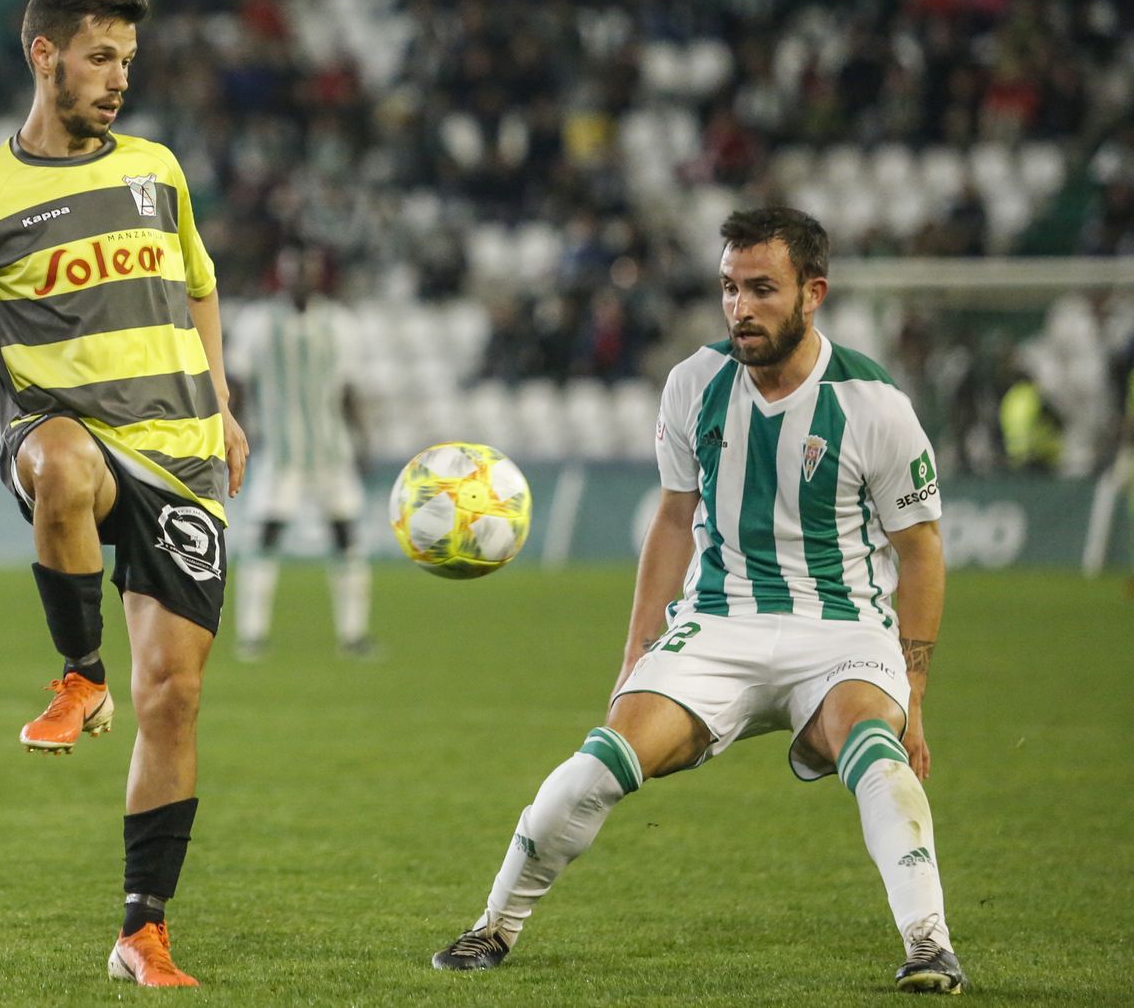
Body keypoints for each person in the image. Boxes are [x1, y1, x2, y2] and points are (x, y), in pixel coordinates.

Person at [431, 207, 966, 995]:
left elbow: (920, 553)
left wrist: (912, 695)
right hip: (719, 624)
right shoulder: (693, 384)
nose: (740, 308)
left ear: (813, 293)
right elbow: (675, 519)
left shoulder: (874, 404)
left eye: (761, 289)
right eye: (728, 289)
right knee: (600, 761)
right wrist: (636, 652)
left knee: (878, 755)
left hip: (843, 629)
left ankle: (929, 945)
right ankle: (492, 927)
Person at [0, 0, 248, 989]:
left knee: (174, 698)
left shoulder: (156, 169)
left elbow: (198, 286)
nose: (119, 79)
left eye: (128, 61)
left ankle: (141, 930)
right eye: (101, 57)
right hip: (68, 431)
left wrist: (220, 402)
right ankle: (80, 672)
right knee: (53, 459)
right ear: (43, 55)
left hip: (178, 451)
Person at [230, 244, 372, 660]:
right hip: (281, 451)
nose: (300, 278)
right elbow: (237, 383)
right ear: (281, 275)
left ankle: (354, 634)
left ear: (318, 275)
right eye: (292, 271)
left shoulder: (340, 324)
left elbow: (349, 388)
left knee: (346, 535)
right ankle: (252, 634)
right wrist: (231, 432)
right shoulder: (258, 322)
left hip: (332, 450)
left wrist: (364, 440)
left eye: (307, 270)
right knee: (265, 535)